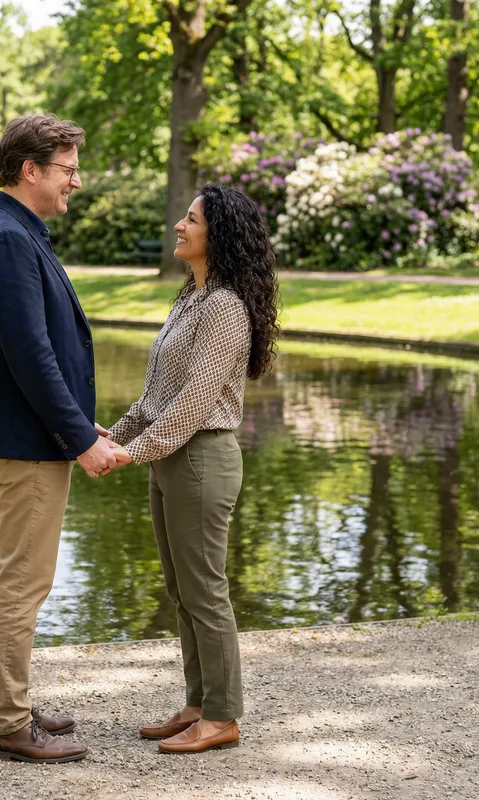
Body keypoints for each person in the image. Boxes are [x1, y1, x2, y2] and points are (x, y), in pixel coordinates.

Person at [0, 114, 116, 764]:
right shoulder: (6, 240)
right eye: (67, 168)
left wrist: (81, 422)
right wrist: (80, 437)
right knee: (22, 582)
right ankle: (6, 724)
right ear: (31, 169)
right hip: (27, 441)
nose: (74, 181)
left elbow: (39, 348)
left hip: (29, 435)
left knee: (8, 578)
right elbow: (31, 355)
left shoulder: (17, 232)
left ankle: (3, 708)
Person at [107, 184, 281, 754]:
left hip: (201, 460)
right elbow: (158, 394)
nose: (179, 225)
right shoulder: (191, 298)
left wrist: (132, 453)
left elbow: (193, 404)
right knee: (181, 591)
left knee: (205, 592)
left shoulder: (227, 308)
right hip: (171, 460)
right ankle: (198, 702)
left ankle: (225, 715)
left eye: (191, 219)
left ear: (218, 235)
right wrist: (111, 435)